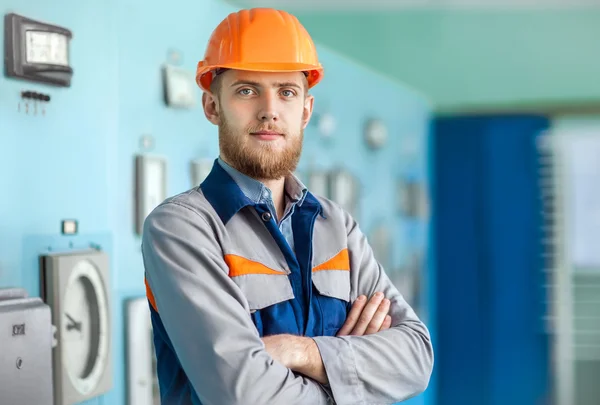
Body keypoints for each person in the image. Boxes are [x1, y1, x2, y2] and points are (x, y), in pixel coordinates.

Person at [141, 7, 433, 405]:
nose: (269, 110)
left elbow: (416, 357)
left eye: (287, 92)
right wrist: (352, 378)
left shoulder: (336, 226)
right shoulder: (182, 229)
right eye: (246, 90)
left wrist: (303, 352)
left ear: (306, 110)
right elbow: (243, 394)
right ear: (212, 107)